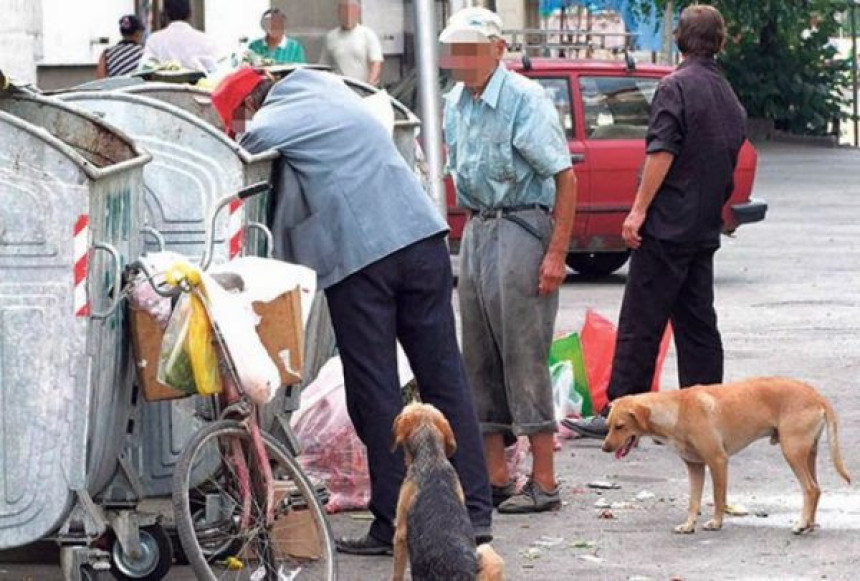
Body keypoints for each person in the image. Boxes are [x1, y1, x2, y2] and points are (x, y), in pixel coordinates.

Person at [210, 66, 493, 554]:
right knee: (444, 377)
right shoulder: (328, 88)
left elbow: (240, 158)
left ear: (246, 107)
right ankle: (473, 512)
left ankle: (390, 524)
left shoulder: (269, 123)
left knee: (377, 390)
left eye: (235, 117)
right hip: (421, 237)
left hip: (365, 260)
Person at [564, 5, 747, 439]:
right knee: (698, 323)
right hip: (703, 229)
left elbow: (661, 151)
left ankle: (620, 414)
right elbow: (727, 159)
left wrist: (638, 210)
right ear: (719, 42)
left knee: (641, 323)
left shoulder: (675, 87)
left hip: (666, 227)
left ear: (681, 39)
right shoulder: (727, 94)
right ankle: (710, 410)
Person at [439, 7, 578, 514]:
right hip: (479, 228)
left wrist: (555, 253)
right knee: (477, 352)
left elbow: (565, 177)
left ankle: (544, 480)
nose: (462, 62)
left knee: (524, 352)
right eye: (457, 52)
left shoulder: (524, 98)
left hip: (523, 225)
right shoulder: (455, 100)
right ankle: (496, 475)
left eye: (472, 51)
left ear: (498, 50)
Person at [140, 0, 220, 72]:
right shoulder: (206, 40)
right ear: (190, 14)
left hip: (162, 88)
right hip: (199, 87)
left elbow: (144, 69)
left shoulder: (153, 40)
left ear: (165, 14)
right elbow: (214, 71)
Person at [319, 0, 384, 85]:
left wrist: (369, 85)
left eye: (352, 11)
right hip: (338, 90)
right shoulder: (330, 37)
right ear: (339, 13)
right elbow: (324, 66)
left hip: (360, 90)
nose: (348, 16)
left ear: (358, 12)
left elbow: (376, 63)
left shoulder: (368, 34)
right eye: (344, 12)